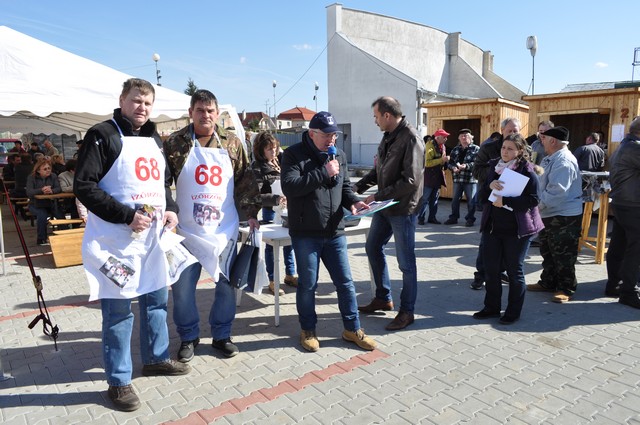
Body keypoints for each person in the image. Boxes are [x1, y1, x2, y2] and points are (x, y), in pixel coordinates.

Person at [74, 78, 190, 412]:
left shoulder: (154, 138)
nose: (142, 107)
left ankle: (155, 358)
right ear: (122, 100)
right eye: (137, 100)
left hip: (152, 242)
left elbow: (162, 183)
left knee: (156, 300)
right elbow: (84, 186)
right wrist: (126, 216)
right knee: (118, 313)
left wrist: (171, 208)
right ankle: (119, 380)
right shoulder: (102, 134)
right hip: (116, 245)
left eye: (148, 103)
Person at [164, 89, 260, 362]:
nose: (205, 115)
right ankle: (188, 337)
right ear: (191, 112)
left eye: (210, 111)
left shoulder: (232, 142)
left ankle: (222, 335)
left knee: (226, 286)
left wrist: (251, 212)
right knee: (182, 289)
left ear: (217, 114)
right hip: (186, 231)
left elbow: (244, 179)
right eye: (200, 110)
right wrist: (167, 211)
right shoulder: (176, 143)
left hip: (222, 229)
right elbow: (163, 182)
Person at [281, 111, 376, 352]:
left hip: (334, 231)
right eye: (326, 135)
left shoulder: (339, 155)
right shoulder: (293, 155)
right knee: (307, 285)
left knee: (345, 283)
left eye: (334, 135)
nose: (331, 140)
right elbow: (290, 187)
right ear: (312, 134)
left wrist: (354, 202)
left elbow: (344, 187)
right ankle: (308, 330)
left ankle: (352, 329)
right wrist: (324, 172)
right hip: (306, 233)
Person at [356, 96, 425, 331]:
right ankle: (383, 297)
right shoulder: (388, 136)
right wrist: (356, 188)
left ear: (387, 115)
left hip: (402, 209)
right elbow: (379, 170)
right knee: (372, 246)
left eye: (376, 116)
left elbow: (411, 181)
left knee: (406, 263)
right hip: (385, 207)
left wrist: (377, 196)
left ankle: (407, 312)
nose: (375, 121)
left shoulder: (411, 138)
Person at [473, 133, 544, 324]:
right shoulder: (494, 167)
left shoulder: (527, 170)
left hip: (517, 230)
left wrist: (506, 201)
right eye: (503, 147)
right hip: (492, 228)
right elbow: (482, 197)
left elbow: (534, 199)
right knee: (491, 270)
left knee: (514, 271)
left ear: (519, 151)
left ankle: (513, 312)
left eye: (510, 148)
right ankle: (491, 307)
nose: (505, 151)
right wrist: (489, 185)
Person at [526, 126, 583, 303]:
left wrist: (537, 207)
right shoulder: (551, 158)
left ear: (553, 141)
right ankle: (548, 281)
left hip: (563, 216)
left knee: (563, 254)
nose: (541, 141)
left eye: (543, 138)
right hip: (549, 213)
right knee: (548, 250)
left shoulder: (564, 161)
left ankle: (566, 288)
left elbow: (557, 191)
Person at [469, 118, 521, 290]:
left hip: (513, 201)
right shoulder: (489, 148)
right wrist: (496, 173)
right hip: (491, 198)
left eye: (515, 131)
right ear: (502, 130)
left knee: (507, 241)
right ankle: (481, 274)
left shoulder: (524, 148)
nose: (512, 133)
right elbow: (476, 171)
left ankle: (500, 271)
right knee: (487, 240)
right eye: (509, 130)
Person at [251, 131, 297, 296]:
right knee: (272, 246)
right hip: (270, 211)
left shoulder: (281, 160)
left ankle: (290, 274)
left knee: (289, 242)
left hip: (287, 209)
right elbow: (256, 195)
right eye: (269, 149)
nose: (274, 151)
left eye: (275, 147)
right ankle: (272, 279)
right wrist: (275, 198)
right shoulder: (257, 167)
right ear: (261, 150)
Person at [606, 117, 640, 308]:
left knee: (619, 245)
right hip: (633, 204)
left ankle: (614, 284)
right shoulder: (634, 148)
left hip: (622, 202)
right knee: (635, 249)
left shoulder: (623, 145)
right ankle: (629, 291)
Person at [444, 128, 479, 226]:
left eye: (466, 135)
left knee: (471, 201)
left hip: (470, 179)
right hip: (457, 178)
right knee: (455, 200)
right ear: (459, 138)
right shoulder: (455, 149)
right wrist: (453, 168)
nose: (464, 137)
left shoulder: (476, 149)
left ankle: (470, 219)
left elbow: (477, 163)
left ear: (471, 138)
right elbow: (450, 163)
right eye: (462, 136)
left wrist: (466, 166)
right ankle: (453, 218)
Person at [26, 158, 64, 245]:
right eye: (45, 169)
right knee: (42, 215)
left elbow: (59, 188)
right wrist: (41, 190)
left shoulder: (53, 176)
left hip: (51, 203)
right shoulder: (32, 178)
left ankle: (64, 235)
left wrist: (52, 191)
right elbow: (29, 192)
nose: (48, 170)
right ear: (38, 170)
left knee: (60, 215)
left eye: (49, 168)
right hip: (36, 204)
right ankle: (41, 239)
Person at [416, 129, 448, 225]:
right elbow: (427, 163)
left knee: (434, 199)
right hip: (429, 177)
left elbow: (441, 161)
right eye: (444, 137)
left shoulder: (443, 146)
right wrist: (442, 160)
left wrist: (445, 161)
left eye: (446, 137)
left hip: (437, 176)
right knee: (425, 199)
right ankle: (421, 218)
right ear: (437, 137)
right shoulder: (429, 146)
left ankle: (432, 218)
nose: (446, 139)